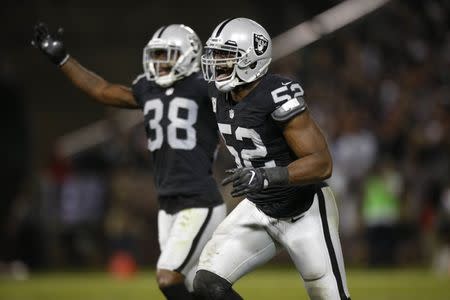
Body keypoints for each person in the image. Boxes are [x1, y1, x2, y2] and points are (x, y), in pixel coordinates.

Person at [32, 22, 226, 300]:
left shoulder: (203, 87)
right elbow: (102, 90)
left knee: (168, 278)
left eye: (166, 54)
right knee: (199, 288)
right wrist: (64, 60)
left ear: (189, 54)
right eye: (156, 55)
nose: (159, 62)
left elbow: (240, 99)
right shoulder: (148, 88)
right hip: (168, 204)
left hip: (199, 201)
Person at [193, 18, 351, 300]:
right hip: (259, 207)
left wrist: (266, 175)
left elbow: (322, 163)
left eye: (225, 56)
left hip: (304, 209)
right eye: (215, 55)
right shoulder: (216, 91)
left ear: (252, 58)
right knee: (207, 284)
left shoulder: (277, 94)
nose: (216, 63)